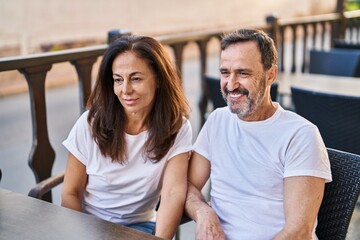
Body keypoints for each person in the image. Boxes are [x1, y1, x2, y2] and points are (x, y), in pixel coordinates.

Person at [184, 29, 332, 240]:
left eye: (243, 73)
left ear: (270, 74)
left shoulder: (300, 135)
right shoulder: (217, 120)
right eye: (225, 73)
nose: (231, 84)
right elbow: (188, 185)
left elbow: (299, 232)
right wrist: (203, 211)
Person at [61, 35, 192, 239]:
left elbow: (172, 194)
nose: (125, 90)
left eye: (136, 78)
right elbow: (70, 193)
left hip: (139, 227)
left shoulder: (178, 127)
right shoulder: (90, 124)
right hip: (88, 224)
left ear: (158, 79)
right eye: (118, 80)